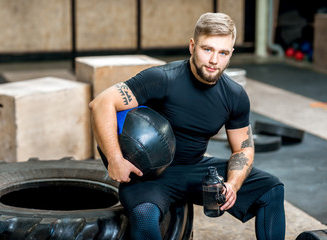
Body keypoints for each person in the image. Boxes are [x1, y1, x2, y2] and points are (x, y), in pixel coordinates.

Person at [89, 12, 285, 240]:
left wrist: (232, 183)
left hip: (196, 169)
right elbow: (102, 103)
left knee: (272, 189)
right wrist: (115, 159)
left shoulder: (235, 95)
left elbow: (243, 148)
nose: (214, 61)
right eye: (207, 49)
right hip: (151, 175)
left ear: (231, 54)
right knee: (144, 216)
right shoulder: (162, 78)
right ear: (192, 46)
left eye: (223, 53)